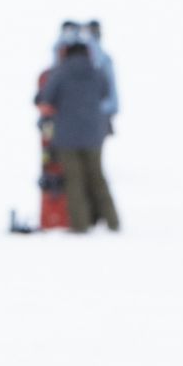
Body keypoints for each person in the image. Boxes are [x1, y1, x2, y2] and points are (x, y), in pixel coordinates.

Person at [37, 38, 120, 232]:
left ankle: (80, 225)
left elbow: (46, 98)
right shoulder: (97, 72)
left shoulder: (60, 73)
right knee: (98, 177)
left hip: (66, 135)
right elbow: (105, 94)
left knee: (74, 180)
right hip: (94, 134)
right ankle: (113, 221)